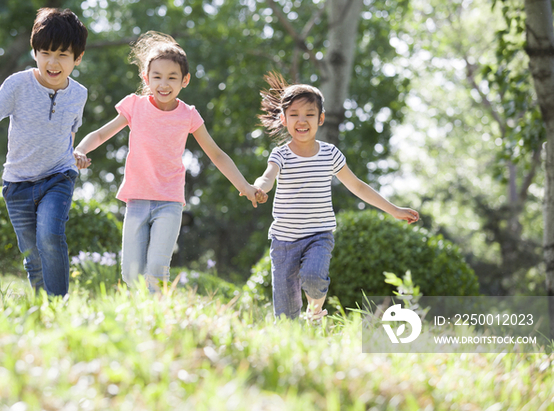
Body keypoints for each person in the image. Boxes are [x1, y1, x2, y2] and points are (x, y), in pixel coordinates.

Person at [73, 31, 260, 293]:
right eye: (157, 76)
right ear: (145, 78)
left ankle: (157, 319)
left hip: (169, 202)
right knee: (131, 273)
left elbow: (216, 154)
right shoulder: (135, 106)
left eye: (172, 77)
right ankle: (140, 316)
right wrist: (79, 149)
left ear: (185, 80)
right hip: (137, 200)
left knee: (156, 270)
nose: (164, 83)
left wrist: (244, 185)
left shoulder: (188, 115)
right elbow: (102, 133)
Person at [253, 72, 419, 321]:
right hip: (284, 242)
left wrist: (393, 209)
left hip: (319, 235)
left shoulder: (329, 153)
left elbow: (357, 186)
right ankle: (298, 342)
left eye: (309, 114)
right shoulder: (281, 154)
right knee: (286, 316)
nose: (302, 120)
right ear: (283, 119)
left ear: (320, 119)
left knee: (314, 277)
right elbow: (268, 176)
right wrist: (258, 188)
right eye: (295, 115)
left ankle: (316, 310)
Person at [0, 8, 89, 297]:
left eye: (63, 55)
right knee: (33, 256)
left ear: (77, 58)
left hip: (58, 177)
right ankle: (44, 308)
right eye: (45, 53)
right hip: (17, 184)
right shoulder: (18, 85)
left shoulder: (79, 94)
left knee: (51, 237)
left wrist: (73, 153)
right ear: (35, 52)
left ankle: (59, 305)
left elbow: (68, 131)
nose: (52, 62)